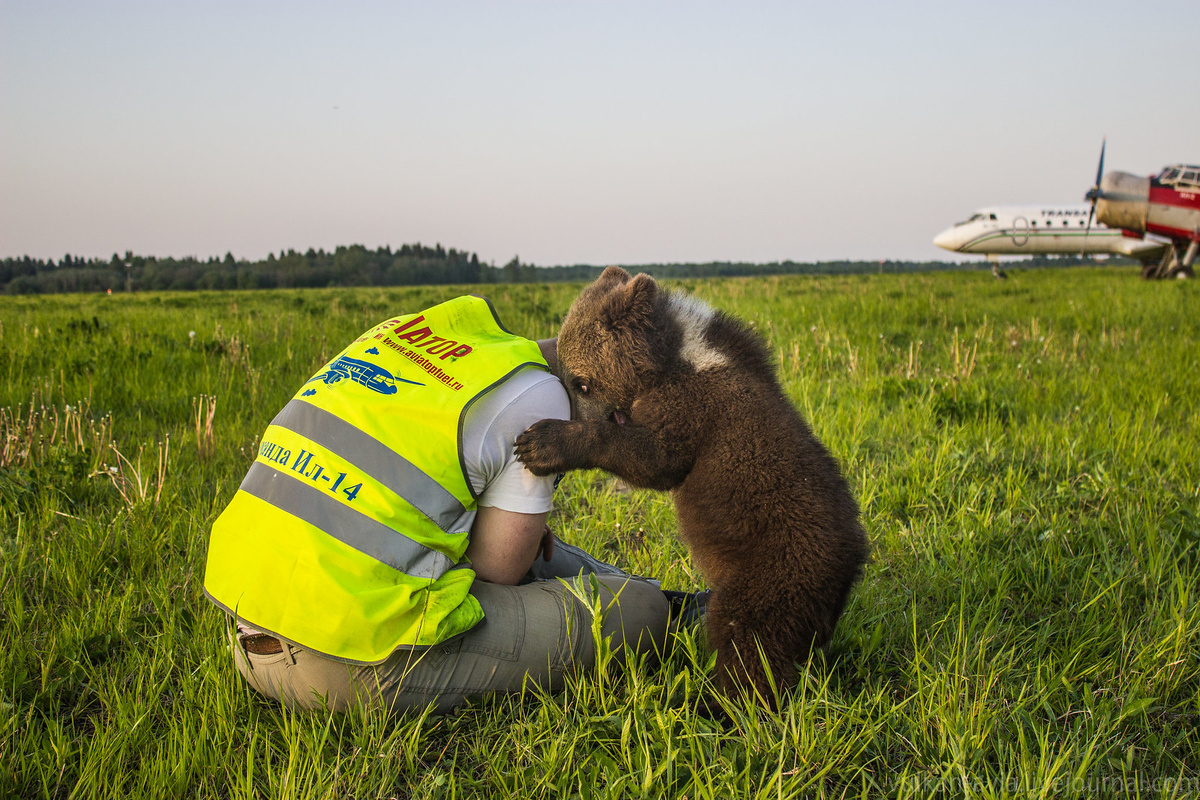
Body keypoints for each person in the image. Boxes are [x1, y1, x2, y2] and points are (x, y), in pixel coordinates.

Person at [203, 294, 671, 715]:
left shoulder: (404, 338)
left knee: (537, 547)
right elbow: (498, 570)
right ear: (586, 385)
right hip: (344, 664)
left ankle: (667, 597)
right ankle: (677, 608)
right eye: (614, 420)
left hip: (248, 635)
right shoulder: (540, 396)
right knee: (643, 610)